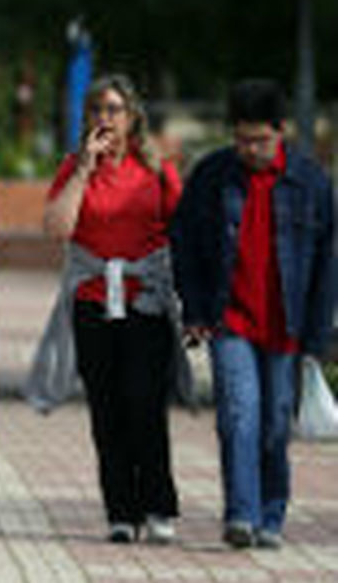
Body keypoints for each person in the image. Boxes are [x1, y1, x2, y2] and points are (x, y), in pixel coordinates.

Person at [170, 79, 335, 550]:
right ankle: (240, 515)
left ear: (281, 132)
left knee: (274, 424)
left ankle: (271, 514)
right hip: (230, 320)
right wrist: (196, 310)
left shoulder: (311, 183)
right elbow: (185, 246)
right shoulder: (212, 176)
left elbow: (328, 263)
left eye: (259, 140)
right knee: (239, 416)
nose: (249, 149)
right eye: (241, 139)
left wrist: (318, 339)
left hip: (287, 325)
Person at [40, 74, 183, 544]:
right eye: (98, 109)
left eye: (114, 109)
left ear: (132, 116)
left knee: (145, 403)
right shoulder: (75, 166)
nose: (105, 118)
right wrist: (83, 168)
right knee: (107, 410)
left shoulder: (157, 168)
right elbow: (57, 228)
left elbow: (181, 230)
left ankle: (158, 505)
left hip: (146, 303)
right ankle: (120, 511)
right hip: (93, 302)